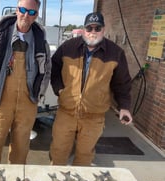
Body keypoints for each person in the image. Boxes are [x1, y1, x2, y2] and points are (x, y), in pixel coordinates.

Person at [49, 12, 133, 166]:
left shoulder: (115, 53)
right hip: (66, 112)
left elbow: (122, 83)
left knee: (85, 156)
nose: (93, 32)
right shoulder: (68, 47)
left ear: (103, 29)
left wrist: (124, 107)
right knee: (58, 152)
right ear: (83, 29)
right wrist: (59, 89)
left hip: (94, 116)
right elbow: (53, 69)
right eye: (89, 28)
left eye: (97, 28)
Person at [0, 0, 51, 164]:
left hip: (27, 103)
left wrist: (39, 93)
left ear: (36, 15)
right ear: (17, 10)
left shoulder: (40, 42)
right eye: (22, 9)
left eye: (31, 12)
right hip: (0, 100)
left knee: (21, 147)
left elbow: (47, 70)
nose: (25, 15)